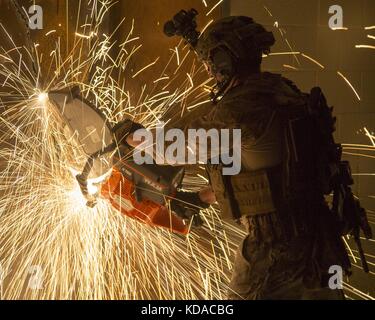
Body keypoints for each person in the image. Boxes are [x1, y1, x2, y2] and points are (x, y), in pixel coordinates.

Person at [124, 13, 354, 300]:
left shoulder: (243, 108)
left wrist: (129, 135)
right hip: (319, 245)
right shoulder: (282, 91)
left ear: (225, 61)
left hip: (275, 251)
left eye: (211, 63)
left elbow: (176, 148)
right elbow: (272, 178)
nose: (209, 71)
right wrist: (202, 198)